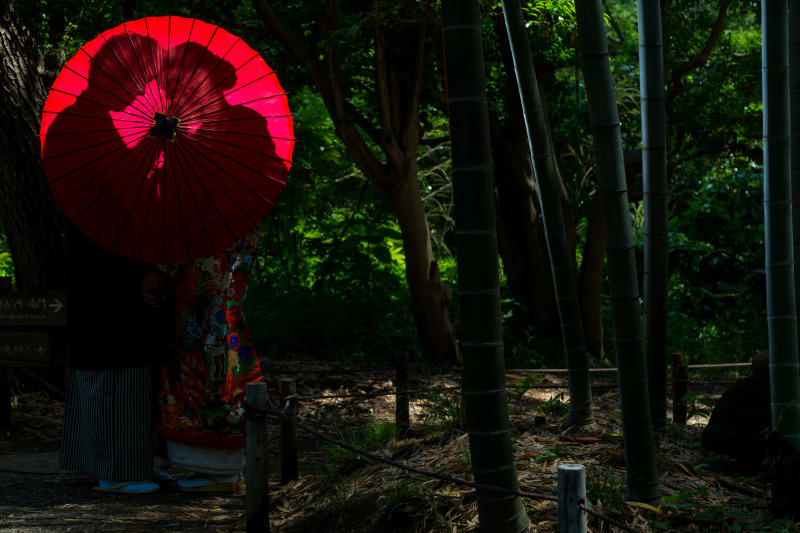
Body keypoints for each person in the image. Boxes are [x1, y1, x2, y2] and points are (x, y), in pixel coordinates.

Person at [59, 226, 171, 494]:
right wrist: (141, 274)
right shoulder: (95, 212)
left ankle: (134, 465)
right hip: (106, 312)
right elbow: (101, 256)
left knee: (134, 388)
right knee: (113, 388)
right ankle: (117, 473)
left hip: (121, 308)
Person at [155, 225, 263, 491]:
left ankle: (218, 472)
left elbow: (178, 267)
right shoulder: (237, 213)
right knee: (223, 374)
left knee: (204, 382)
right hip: (224, 303)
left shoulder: (196, 215)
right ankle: (224, 471)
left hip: (202, 307)